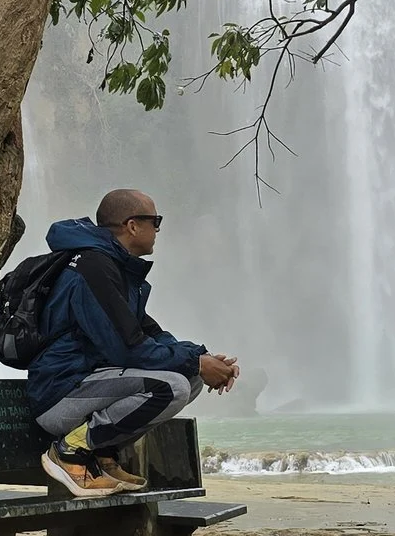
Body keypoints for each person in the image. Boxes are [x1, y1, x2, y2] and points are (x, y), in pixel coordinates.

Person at [26, 189, 241, 497]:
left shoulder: (116, 269)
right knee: (172, 387)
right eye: (155, 221)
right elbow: (128, 349)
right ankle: (70, 451)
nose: (157, 230)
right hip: (61, 393)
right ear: (132, 225)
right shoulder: (93, 268)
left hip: (87, 386)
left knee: (189, 379)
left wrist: (201, 358)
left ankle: (102, 453)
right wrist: (196, 362)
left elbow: (147, 332)